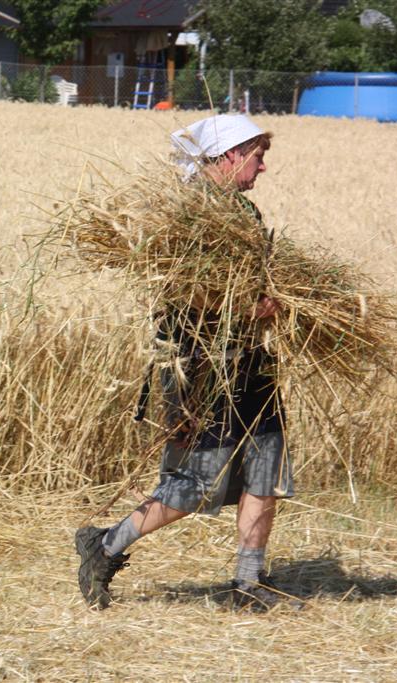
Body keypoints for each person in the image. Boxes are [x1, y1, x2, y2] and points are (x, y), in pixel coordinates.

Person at [75, 114, 293, 610]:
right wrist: (243, 306)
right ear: (233, 154)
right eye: (258, 157)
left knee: (266, 467)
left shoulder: (247, 215)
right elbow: (180, 291)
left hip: (249, 360)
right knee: (193, 484)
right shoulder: (185, 216)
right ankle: (103, 545)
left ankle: (247, 584)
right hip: (197, 366)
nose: (262, 169)